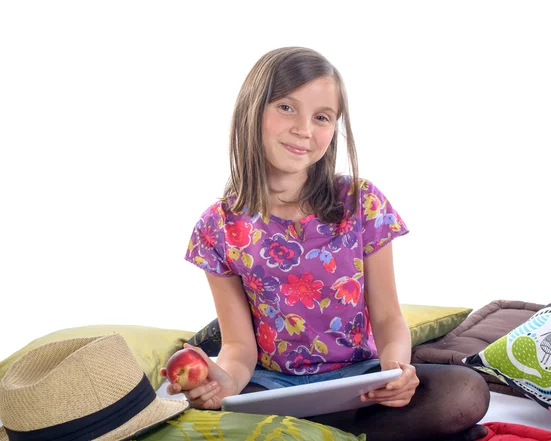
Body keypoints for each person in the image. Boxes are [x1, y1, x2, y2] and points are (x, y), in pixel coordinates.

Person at [160, 47, 490, 441]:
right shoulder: (218, 228)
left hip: (362, 381)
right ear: (253, 111)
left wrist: (397, 371)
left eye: (321, 117)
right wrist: (225, 383)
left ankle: (316, 433)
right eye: (286, 107)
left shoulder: (362, 202)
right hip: (272, 386)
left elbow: (387, 318)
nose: (304, 129)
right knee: (220, 419)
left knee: (466, 392)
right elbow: (238, 345)